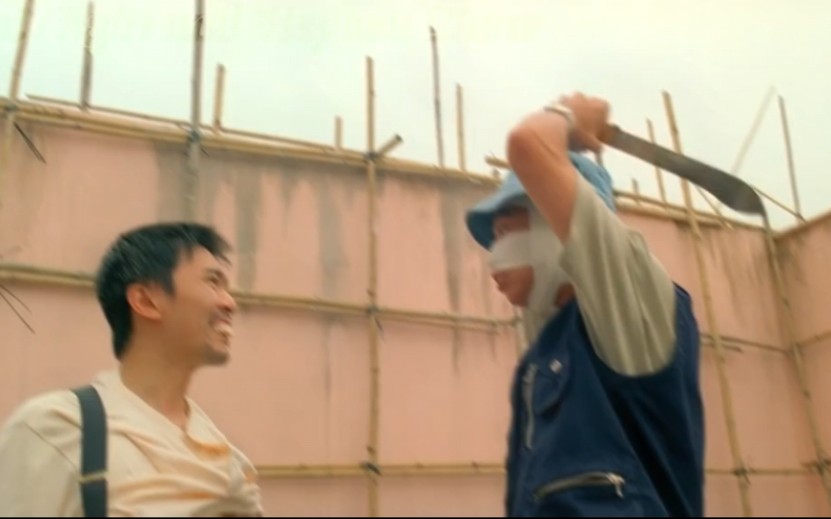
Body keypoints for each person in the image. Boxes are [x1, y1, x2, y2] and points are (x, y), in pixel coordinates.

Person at [465, 93, 705, 517]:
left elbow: (528, 145)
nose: (493, 258)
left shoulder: (631, 309)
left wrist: (569, 117)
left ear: (554, 223)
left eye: (503, 232)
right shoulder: (546, 350)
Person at [0, 222, 263, 517]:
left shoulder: (228, 461)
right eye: (213, 282)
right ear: (146, 301)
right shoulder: (56, 429)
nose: (230, 303)